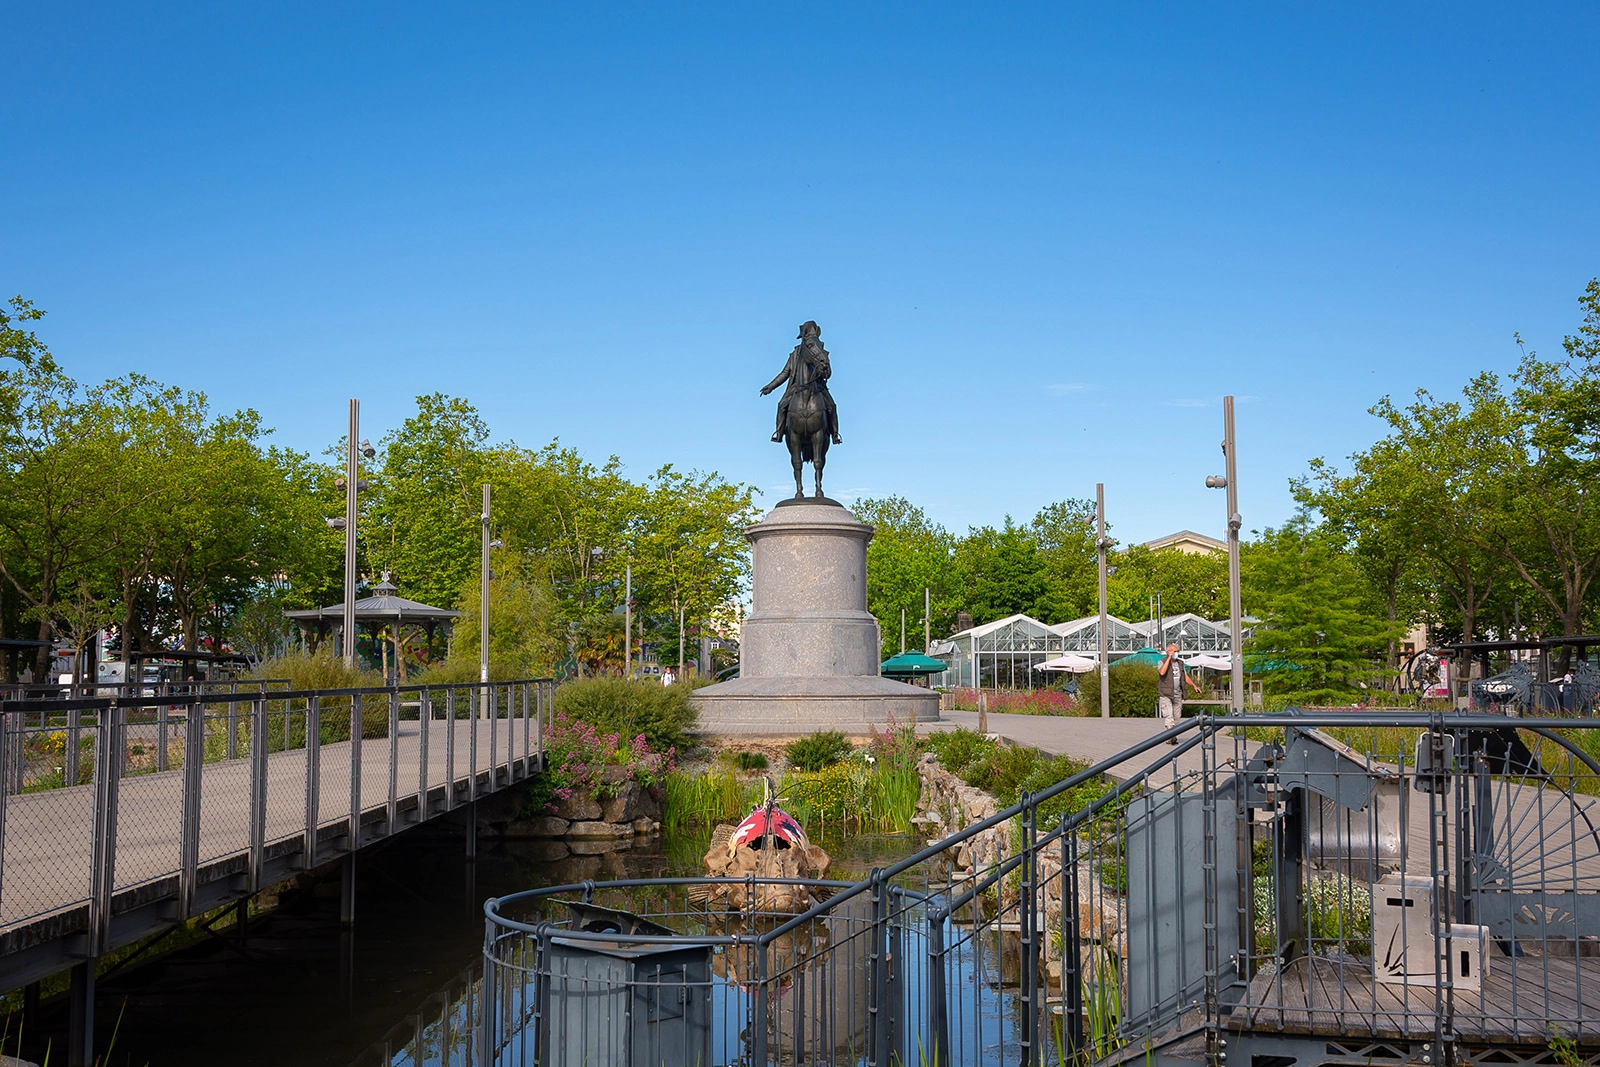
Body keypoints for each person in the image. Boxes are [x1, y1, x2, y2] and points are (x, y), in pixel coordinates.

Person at [762, 320, 842, 445]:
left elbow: (829, 373)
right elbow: (785, 373)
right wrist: (770, 386)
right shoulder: (795, 354)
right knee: (782, 405)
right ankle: (779, 432)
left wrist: (824, 370)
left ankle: (835, 434)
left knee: (831, 406)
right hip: (796, 387)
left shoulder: (821, 350)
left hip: (818, 387)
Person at [1157, 642, 1201, 743]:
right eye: (1174, 651)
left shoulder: (1180, 663)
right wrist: (1168, 658)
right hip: (1166, 693)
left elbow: (1185, 676)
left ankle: (1170, 737)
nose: (1176, 653)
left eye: (1177, 651)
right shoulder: (1162, 661)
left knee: (1176, 718)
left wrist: (1194, 686)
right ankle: (1172, 736)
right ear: (1168, 652)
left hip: (1178, 694)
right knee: (1168, 716)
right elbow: (1162, 672)